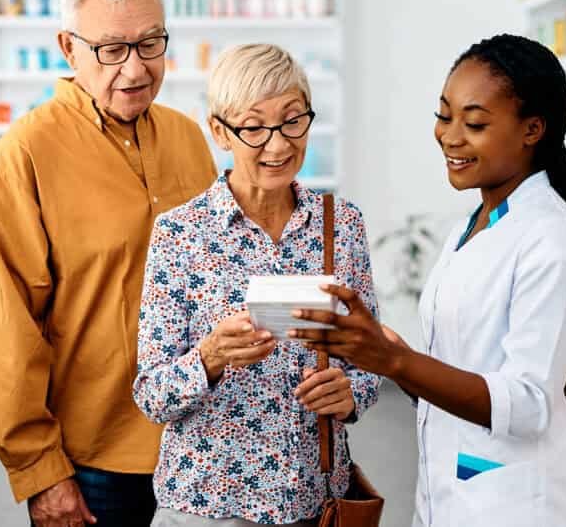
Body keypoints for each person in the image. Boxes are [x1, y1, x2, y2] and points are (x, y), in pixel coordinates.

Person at [292, 34, 566, 526]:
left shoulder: (551, 242)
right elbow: (467, 361)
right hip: (454, 489)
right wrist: (390, 354)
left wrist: (394, 359)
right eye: (444, 116)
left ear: (532, 129)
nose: (450, 136)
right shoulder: (482, 220)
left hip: (516, 506)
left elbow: (528, 404)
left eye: (476, 123)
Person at [0, 0, 217, 527]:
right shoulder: (26, 152)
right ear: (69, 47)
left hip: (201, 443)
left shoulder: (187, 137)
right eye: (111, 49)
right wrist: (40, 472)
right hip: (94, 460)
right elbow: (8, 327)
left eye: (150, 43)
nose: (135, 69)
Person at [134, 43, 381, 527]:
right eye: (254, 127)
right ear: (220, 132)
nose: (279, 144)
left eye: (293, 120)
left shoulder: (341, 226)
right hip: (205, 507)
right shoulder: (180, 234)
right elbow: (151, 394)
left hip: (313, 502)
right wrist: (209, 358)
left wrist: (350, 394)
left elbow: (372, 359)